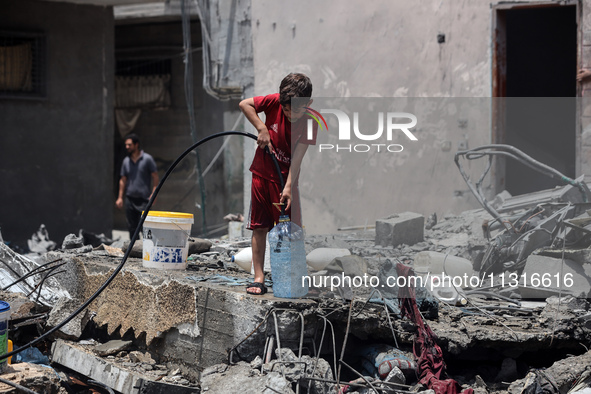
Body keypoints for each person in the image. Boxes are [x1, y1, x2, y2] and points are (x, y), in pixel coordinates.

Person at [239, 73, 318, 295]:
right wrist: (261, 128)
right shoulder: (274, 101)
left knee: (289, 231)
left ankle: (291, 277)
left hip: (285, 180)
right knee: (259, 227)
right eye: (286, 110)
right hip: (261, 175)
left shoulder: (311, 122)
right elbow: (245, 104)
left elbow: (298, 159)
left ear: (308, 104)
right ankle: (258, 278)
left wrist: (288, 187)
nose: (291, 114)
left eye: (297, 110)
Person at [116, 133, 159, 238]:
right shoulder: (126, 161)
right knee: (131, 228)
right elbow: (123, 179)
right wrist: (120, 197)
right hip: (130, 199)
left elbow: (155, 177)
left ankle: (146, 250)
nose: (127, 147)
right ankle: (134, 250)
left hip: (144, 200)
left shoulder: (147, 159)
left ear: (136, 145)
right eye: (126, 145)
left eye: (129, 145)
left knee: (145, 227)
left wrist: (154, 193)